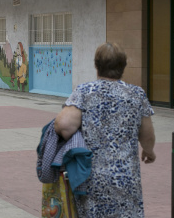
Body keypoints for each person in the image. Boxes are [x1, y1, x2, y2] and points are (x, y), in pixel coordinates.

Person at [54, 42, 156, 217]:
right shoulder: (137, 94)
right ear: (123, 66)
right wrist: (148, 151)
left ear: (97, 65)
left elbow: (64, 125)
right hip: (126, 178)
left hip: (92, 178)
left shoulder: (84, 91)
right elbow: (147, 134)